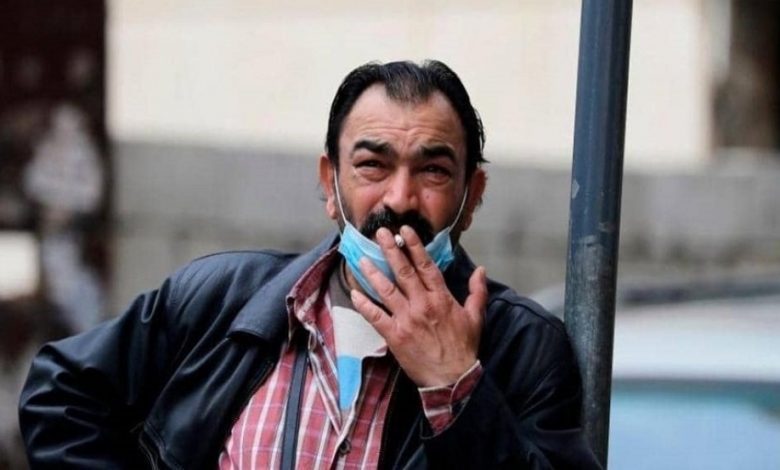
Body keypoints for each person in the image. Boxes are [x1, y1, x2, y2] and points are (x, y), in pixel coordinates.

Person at [19, 60, 600, 469]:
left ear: (472, 196)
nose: (400, 198)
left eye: (433, 171)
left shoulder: (523, 347)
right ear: (330, 183)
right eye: (372, 165)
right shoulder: (221, 299)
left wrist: (457, 387)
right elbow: (60, 394)